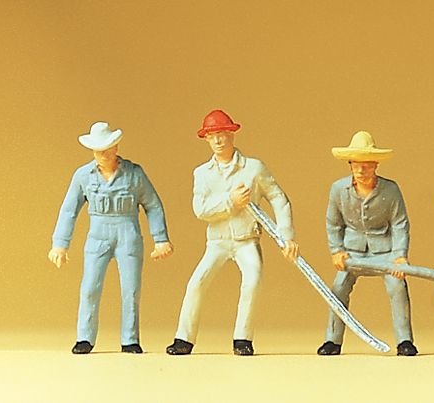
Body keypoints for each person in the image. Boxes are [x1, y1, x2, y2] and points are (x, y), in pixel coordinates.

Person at [166, 109, 299, 356]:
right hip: (217, 242)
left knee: (253, 279)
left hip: (246, 240)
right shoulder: (202, 173)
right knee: (196, 283)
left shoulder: (254, 168)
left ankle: (242, 339)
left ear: (232, 135)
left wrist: (286, 236)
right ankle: (183, 338)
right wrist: (231, 201)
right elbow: (200, 209)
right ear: (206, 139)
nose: (218, 140)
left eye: (222, 134)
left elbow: (278, 198)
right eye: (212, 136)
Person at [48, 121, 174, 354]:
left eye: (108, 148)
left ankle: (130, 339)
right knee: (89, 287)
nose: (103, 154)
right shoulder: (83, 175)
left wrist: (161, 239)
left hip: (128, 234)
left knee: (131, 290)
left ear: (116, 146)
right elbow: (69, 210)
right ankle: (84, 337)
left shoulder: (134, 174)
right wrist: (60, 244)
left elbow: (152, 205)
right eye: (98, 150)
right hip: (98, 236)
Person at [316, 131, 417, 356]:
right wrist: (337, 251)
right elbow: (333, 223)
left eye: (366, 165)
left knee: (398, 287)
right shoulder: (338, 189)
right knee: (338, 289)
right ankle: (332, 340)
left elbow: (400, 224)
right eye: (356, 165)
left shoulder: (391, 189)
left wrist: (400, 255)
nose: (361, 171)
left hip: (385, 252)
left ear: (375, 165)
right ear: (350, 165)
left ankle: (405, 340)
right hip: (352, 253)